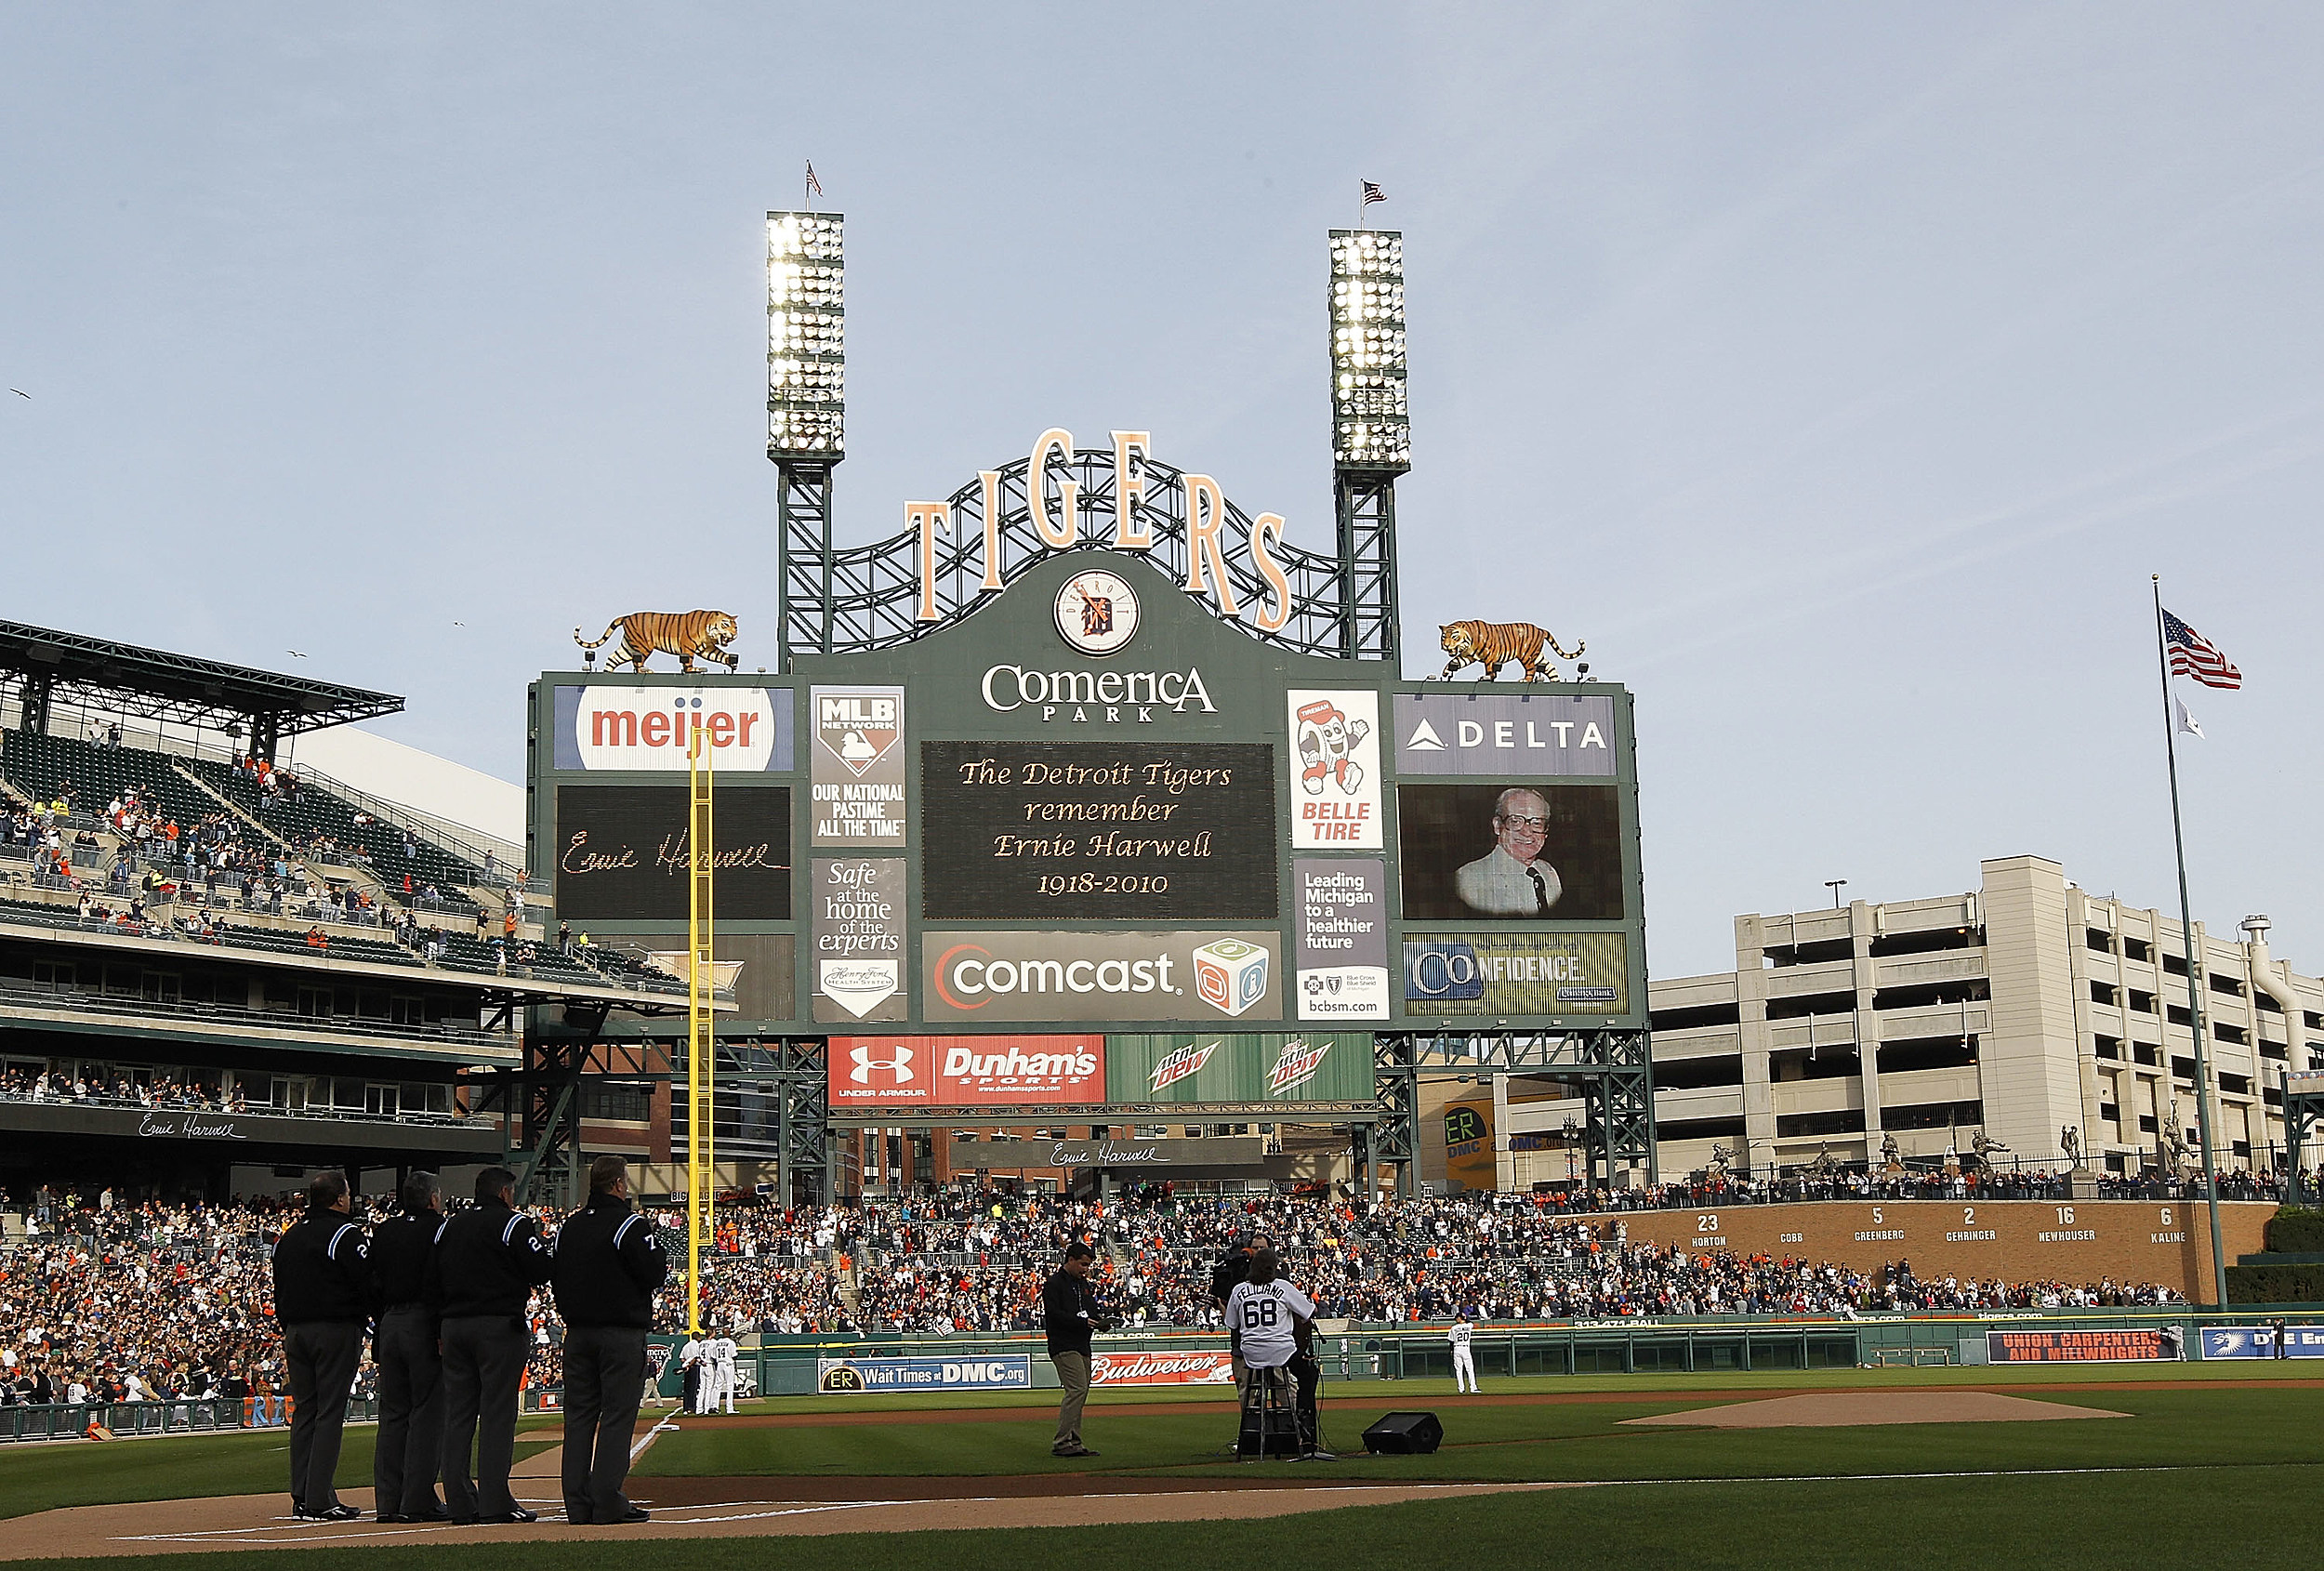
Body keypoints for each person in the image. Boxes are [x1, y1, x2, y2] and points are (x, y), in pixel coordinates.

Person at [550, 1155, 667, 1526]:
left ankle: (577, 1504)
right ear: (618, 1184)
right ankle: (607, 1500)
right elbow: (653, 1272)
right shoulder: (630, 1223)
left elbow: (556, 1276)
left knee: (579, 1418)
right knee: (617, 1416)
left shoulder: (569, 1227)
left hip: (577, 1332)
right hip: (619, 1333)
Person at [437, 1166, 554, 1525]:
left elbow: (433, 1275)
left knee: (457, 1415)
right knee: (497, 1414)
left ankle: (458, 1499)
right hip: (497, 1327)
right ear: (504, 1192)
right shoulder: (512, 1224)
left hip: (453, 1326)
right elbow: (540, 1269)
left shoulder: (450, 1225)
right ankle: (494, 1500)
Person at [271, 1170, 371, 1522]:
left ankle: (302, 1495)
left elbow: (278, 1287)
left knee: (306, 1411)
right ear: (339, 1199)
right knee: (329, 1413)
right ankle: (320, 1498)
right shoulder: (345, 1232)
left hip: (295, 1331)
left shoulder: (290, 1236)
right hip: (334, 1329)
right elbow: (366, 1282)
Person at [368, 1171, 448, 1525]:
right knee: (428, 1414)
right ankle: (417, 1499)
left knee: (392, 1414)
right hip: (423, 1322)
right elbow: (441, 1281)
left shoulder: (384, 1231)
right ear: (432, 1198)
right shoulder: (441, 1229)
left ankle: (388, 1500)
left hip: (389, 1323)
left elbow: (371, 1284)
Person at [1224, 1248, 1321, 1459]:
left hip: (1250, 1354)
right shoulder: (1282, 1287)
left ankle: (1253, 1438)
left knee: (1276, 1372)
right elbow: (1309, 1311)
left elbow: (1231, 1323)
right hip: (1280, 1351)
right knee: (1309, 1374)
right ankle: (1305, 1430)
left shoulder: (1239, 1289)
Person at [1042, 1241, 1109, 1459]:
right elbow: (1053, 1314)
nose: (1085, 1269)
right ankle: (1062, 1442)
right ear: (1070, 1260)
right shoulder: (1054, 1283)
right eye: (1082, 1264)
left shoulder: (1082, 1284)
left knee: (1081, 1392)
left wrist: (1100, 1321)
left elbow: (1090, 1310)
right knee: (1077, 1389)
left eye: (1088, 1265)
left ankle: (1074, 1441)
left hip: (1082, 1343)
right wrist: (1083, 1323)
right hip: (1063, 1344)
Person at [1454, 787, 1562, 916]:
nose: (1527, 832)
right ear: (1498, 826)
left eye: (1537, 823)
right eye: (1515, 821)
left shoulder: (1548, 872)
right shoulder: (1469, 878)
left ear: (1546, 832)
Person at [1449, 1306, 1479, 1393]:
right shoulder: (1469, 1325)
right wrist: (1465, 1317)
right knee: (1470, 1369)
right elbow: (1470, 1322)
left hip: (1456, 1348)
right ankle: (1473, 1388)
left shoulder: (1454, 1327)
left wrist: (1451, 1350)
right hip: (1465, 1348)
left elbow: (1451, 1341)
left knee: (1458, 1370)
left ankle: (1461, 1389)